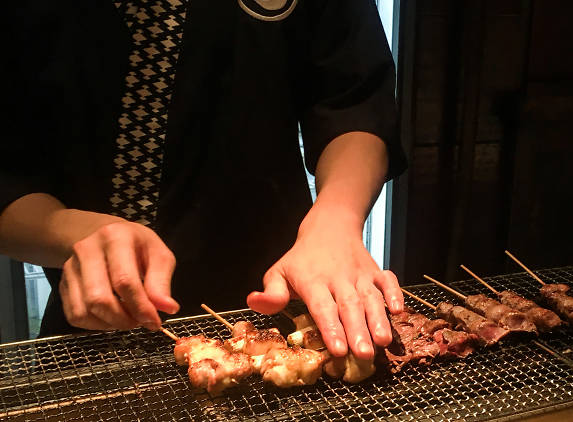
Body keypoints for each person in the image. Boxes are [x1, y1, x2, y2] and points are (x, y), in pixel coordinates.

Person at [0, 0, 407, 360]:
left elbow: (354, 100)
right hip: (90, 321)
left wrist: (335, 220)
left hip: (280, 299)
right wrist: (70, 233)